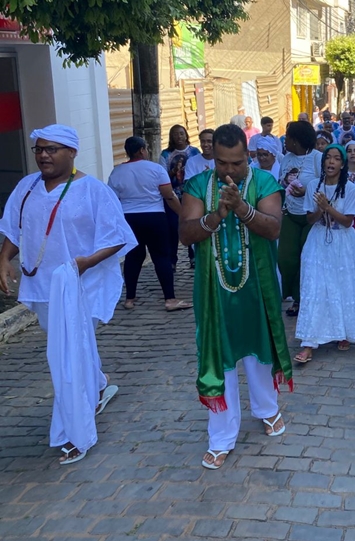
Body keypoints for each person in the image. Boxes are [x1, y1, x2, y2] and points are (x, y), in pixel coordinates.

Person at [0, 124, 137, 464]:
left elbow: (118, 236)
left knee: (67, 355)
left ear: (72, 152)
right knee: (71, 348)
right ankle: (99, 385)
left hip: (82, 286)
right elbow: (15, 229)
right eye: (39, 149)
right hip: (43, 286)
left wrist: (86, 263)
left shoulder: (93, 190)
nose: (43, 155)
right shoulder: (26, 188)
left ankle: (76, 429)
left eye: (52, 149)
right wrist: (4, 258)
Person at [180, 123, 292, 470]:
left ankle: (267, 408)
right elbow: (186, 233)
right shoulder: (198, 184)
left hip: (257, 284)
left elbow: (273, 228)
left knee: (259, 348)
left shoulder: (265, 182)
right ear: (213, 157)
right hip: (213, 289)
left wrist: (243, 209)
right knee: (220, 356)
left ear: (249, 156)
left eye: (237, 163)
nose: (229, 170)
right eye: (222, 164)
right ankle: (222, 436)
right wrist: (217, 216)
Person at [293, 145, 355, 363]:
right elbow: (309, 219)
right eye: (328, 158)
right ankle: (308, 343)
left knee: (342, 286)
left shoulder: (351, 189)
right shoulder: (313, 187)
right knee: (314, 287)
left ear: (343, 164)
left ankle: (342, 333)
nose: (331, 162)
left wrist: (328, 207)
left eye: (336, 159)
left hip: (343, 244)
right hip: (318, 240)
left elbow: (347, 222)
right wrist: (320, 209)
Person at [107, 136, 192, 312]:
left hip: (129, 218)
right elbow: (169, 196)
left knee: (132, 258)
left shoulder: (117, 172)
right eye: (145, 148)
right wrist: (183, 214)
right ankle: (169, 298)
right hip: (155, 217)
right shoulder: (156, 169)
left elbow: (113, 200)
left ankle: (129, 298)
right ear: (141, 150)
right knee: (161, 257)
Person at [278, 121, 321, 317]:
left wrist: (306, 192)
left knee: (306, 259)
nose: (284, 140)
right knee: (286, 259)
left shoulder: (317, 158)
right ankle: (292, 293)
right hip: (290, 214)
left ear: (296, 140)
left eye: (287, 137)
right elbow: (281, 181)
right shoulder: (286, 158)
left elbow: (326, 185)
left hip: (310, 216)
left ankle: (301, 299)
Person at [159, 124, 200, 269]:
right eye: (175, 134)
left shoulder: (194, 152)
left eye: (182, 133)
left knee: (192, 224)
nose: (179, 137)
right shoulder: (165, 155)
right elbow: (162, 177)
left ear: (186, 135)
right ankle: (172, 260)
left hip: (191, 195)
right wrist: (174, 171)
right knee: (172, 228)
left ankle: (193, 256)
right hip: (173, 196)